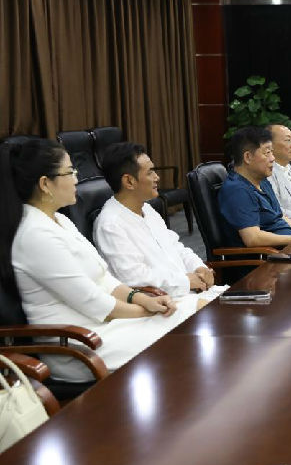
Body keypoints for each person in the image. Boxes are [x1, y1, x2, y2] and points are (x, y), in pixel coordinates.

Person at [0, 138, 199, 382]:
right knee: (185, 330)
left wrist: (143, 299)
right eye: (70, 172)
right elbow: (95, 303)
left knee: (190, 321)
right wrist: (148, 311)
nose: (77, 179)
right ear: (45, 183)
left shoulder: (61, 221)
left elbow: (104, 279)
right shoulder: (35, 235)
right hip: (78, 344)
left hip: (103, 328)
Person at [94, 142, 215, 296]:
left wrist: (199, 268)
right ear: (129, 181)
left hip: (190, 292)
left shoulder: (147, 209)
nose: (157, 177)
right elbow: (134, 277)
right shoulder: (110, 224)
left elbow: (175, 247)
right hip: (162, 302)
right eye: (150, 172)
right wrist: (185, 281)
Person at [218, 126, 291, 248]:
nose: (273, 158)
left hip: (289, 247)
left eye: (272, 152)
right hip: (270, 255)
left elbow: (280, 215)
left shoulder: (262, 181)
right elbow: (253, 239)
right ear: (248, 157)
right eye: (267, 153)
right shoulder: (238, 191)